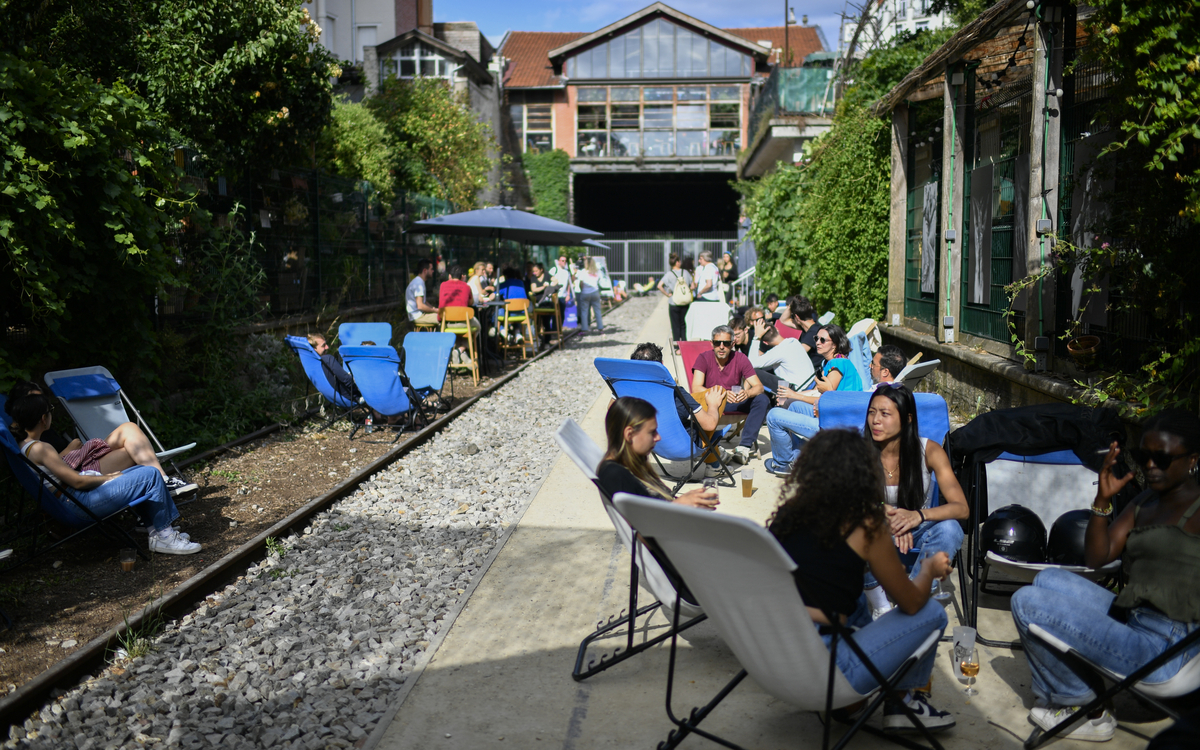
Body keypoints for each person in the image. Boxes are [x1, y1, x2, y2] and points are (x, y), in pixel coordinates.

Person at [1011, 410, 1200, 743]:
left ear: (1192, 460)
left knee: (1026, 602)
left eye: (1162, 457)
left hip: (1165, 651)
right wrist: (1102, 501)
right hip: (1134, 620)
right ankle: (1087, 701)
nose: (1150, 465)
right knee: (1047, 580)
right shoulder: (1146, 500)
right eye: (1143, 456)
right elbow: (1098, 556)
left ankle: (1081, 707)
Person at [768, 429, 955, 732]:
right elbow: (910, 603)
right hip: (829, 673)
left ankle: (853, 706)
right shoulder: (866, 524)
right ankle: (903, 704)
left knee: (849, 589)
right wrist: (927, 570)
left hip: (776, 661)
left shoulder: (789, 515)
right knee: (930, 612)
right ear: (864, 475)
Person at [7, 393, 201, 554]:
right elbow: (77, 482)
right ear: (43, 418)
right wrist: (109, 477)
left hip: (71, 501)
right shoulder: (41, 448)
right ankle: (166, 537)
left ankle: (155, 530)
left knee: (143, 471)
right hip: (79, 503)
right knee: (150, 475)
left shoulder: (25, 446)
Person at [864, 384, 968, 619]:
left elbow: (961, 508)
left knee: (951, 529)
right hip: (874, 533)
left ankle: (910, 596)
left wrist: (917, 516)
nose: (875, 421)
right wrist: (886, 513)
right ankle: (880, 605)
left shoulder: (929, 450)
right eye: (872, 412)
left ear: (907, 419)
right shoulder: (858, 451)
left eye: (885, 414)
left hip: (916, 530)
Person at [4, 382, 197, 497]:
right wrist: (69, 450)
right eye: (35, 403)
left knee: (129, 429)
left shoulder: (34, 432)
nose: (41, 407)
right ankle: (160, 485)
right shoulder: (28, 440)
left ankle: (162, 481)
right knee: (131, 451)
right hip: (78, 474)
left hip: (80, 464)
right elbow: (47, 468)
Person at [764, 324, 862, 475]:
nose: (817, 342)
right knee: (793, 405)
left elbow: (827, 396)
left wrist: (794, 395)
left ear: (835, 344)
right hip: (833, 416)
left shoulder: (838, 364)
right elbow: (818, 391)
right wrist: (791, 395)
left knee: (773, 415)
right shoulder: (831, 362)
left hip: (836, 425)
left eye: (823, 340)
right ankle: (798, 458)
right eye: (817, 338)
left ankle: (784, 463)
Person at [595, 396, 719, 510]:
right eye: (652, 432)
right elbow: (641, 528)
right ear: (630, 434)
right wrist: (678, 505)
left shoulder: (632, 466)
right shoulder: (615, 475)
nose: (658, 437)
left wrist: (688, 501)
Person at [630, 343, 727, 475]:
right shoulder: (674, 393)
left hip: (652, 444)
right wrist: (713, 405)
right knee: (716, 396)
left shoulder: (628, 391)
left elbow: (611, 408)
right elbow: (709, 425)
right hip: (685, 448)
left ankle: (717, 452)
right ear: (662, 365)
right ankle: (714, 464)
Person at [690, 325, 769, 464]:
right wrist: (722, 392)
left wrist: (747, 393)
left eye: (726, 343)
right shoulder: (704, 358)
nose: (721, 347)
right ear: (711, 343)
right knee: (693, 403)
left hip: (735, 402)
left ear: (733, 344)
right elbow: (696, 388)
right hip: (712, 404)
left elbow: (759, 387)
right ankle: (708, 444)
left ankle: (743, 448)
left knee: (762, 399)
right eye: (717, 343)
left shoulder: (740, 358)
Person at [748, 320, 815, 396]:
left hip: (797, 390)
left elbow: (751, 363)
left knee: (754, 372)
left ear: (765, 342)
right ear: (777, 330)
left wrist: (756, 337)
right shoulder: (794, 341)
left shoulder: (778, 351)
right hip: (811, 382)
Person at [438, 266, 478, 367]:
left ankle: (459, 353)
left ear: (450, 276)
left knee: (458, 332)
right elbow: (471, 302)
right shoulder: (466, 286)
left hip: (447, 324)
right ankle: (461, 350)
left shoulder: (443, 285)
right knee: (478, 327)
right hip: (463, 324)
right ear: (462, 276)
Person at [308, 333, 359, 404]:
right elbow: (347, 380)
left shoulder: (311, 363)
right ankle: (375, 413)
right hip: (349, 397)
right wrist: (359, 388)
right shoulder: (327, 360)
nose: (327, 347)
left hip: (333, 397)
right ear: (314, 349)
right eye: (323, 346)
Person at [779, 295, 824, 372]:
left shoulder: (814, 332)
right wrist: (792, 304)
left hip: (814, 375)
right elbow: (783, 320)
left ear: (797, 317)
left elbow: (798, 352)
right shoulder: (807, 327)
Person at [658, 252, 693, 343]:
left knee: (675, 325)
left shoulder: (669, 274)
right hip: (685, 301)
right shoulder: (685, 272)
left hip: (674, 301)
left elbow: (659, 286)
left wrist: (667, 294)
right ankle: (685, 344)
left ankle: (677, 346)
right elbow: (692, 285)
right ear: (677, 262)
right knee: (683, 324)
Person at [575, 257, 605, 335]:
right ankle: (600, 328)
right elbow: (600, 281)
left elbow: (581, 283)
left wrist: (582, 290)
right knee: (597, 311)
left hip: (585, 293)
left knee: (584, 312)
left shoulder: (583, 272)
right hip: (595, 292)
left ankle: (585, 329)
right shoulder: (597, 272)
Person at [405, 259, 439, 327]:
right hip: (418, 316)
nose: (433, 271)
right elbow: (420, 305)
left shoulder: (418, 281)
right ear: (425, 271)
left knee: (441, 315)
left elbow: (424, 302)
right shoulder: (419, 283)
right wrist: (435, 311)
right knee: (442, 318)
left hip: (417, 315)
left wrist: (435, 309)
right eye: (431, 269)